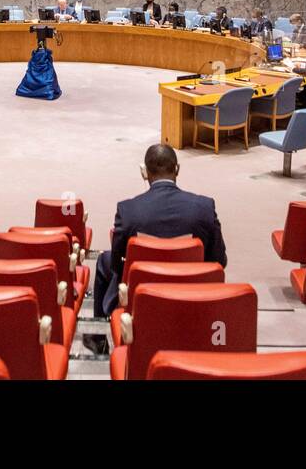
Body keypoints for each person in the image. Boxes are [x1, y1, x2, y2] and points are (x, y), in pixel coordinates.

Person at [88, 144, 227, 336]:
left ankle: (98, 338)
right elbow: (220, 261)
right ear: (177, 169)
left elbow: (118, 266)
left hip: (141, 294)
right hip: (193, 294)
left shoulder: (128, 211)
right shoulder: (204, 207)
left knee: (105, 260)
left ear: (144, 173)